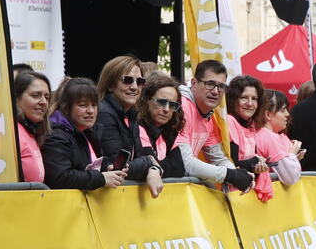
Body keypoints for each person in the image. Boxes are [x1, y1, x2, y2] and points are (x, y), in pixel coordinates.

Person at [42, 77, 163, 195]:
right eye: (83, 105)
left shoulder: (87, 133)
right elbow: (60, 178)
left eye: (94, 105)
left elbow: (91, 166)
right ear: (66, 108)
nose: (90, 111)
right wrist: (102, 178)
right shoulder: (56, 136)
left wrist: (108, 168)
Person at [175, 60, 253, 191]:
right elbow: (185, 163)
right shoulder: (180, 107)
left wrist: (240, 176)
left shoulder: (209, 117)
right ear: (194, 83)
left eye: (221, 86)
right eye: (210, 84)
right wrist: (231, 175)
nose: (216, 91)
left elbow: (218, 158)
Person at [95, 55, 158, 184]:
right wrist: (150, 162)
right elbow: (118, 166)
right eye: (127, 80)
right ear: (110, 85)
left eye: (140, 81)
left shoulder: (131, 115)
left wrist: (150, 166)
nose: (134, 87)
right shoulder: (104, 113)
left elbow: (137, 158)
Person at [137, 72, 188, 178]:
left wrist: (158, 168)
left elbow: (179, 168)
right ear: (147, 100)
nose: (166, 109)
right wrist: (160, 166)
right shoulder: (138, 127)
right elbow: (149, 165)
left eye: (172, 105)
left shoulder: (170, 130)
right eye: (161, 102)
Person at [13, 70, 51, 183]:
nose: (43, 102)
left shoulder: (32, 132)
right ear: (16, 99)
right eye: (36, 95)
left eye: (47, 97)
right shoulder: (12, 134)